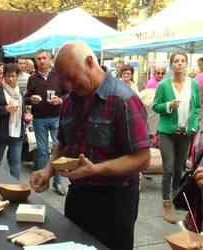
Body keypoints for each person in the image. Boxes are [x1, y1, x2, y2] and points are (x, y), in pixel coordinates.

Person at [31, 41, 151, 250]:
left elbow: (142, 158)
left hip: (114, 203)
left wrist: (95, 169)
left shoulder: (123, 100)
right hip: (78, 197)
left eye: (71, 77)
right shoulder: (69, 101)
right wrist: (48, 170)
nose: (68, 86)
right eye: (63, 80)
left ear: (89, 62)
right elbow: (63, 143)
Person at [152, 51, 201, 224]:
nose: (179, 63)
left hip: (185, 133)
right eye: (176, 61)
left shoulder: (193, 84)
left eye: (182, 61)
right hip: (167, 132)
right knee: (168, 169)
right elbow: (155, 106)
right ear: (171, 65)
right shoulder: (164, 85)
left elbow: (196, 108)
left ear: (186, 64)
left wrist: (192, 126)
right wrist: (167, 105)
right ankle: (166, 202)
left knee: (180, 167)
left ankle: (174, 192)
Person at [25, 49, 66, 195]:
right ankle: (43, 180)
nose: (41, 61)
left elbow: (68, 94)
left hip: (56, 117)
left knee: (57, 148)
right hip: (40, 118)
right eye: (38, 59)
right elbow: (26, 98)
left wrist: (60, 100)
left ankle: (58, 182)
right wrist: (32, 99)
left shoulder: (59, 76)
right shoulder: (33, 78)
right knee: (42, 151)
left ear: (51, 60)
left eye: (44, 58)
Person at [0, 63, 32, 180]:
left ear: (17, 77)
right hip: (1, 133)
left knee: (16, 162)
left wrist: (26, 117)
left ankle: (15, 189)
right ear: (3, 77)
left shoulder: (20, 94)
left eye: (13, 76)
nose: (10, 79)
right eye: (7, 76)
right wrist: (4, 109)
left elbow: (22, 111)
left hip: (17, 133)